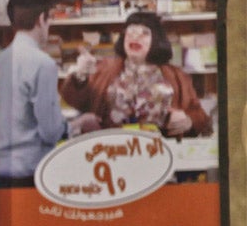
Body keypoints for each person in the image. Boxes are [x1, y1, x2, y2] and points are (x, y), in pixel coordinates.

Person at [61, 11, 213, 139]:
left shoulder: (177, 76)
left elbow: (200, 117)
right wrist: (80, 74)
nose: (136, 37)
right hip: (110, 151)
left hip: (160, 152)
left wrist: (188, 121)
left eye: (144, 33)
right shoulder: (104, 68)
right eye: (131, 32)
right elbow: (73, 99)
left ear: (156, 39)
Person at [0, 0, 70, 180]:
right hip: (33, 171)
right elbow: (51, 131)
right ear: (41, 19)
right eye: (49, 19)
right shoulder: (43, 64)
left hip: (0, 169)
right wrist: (74, 126)